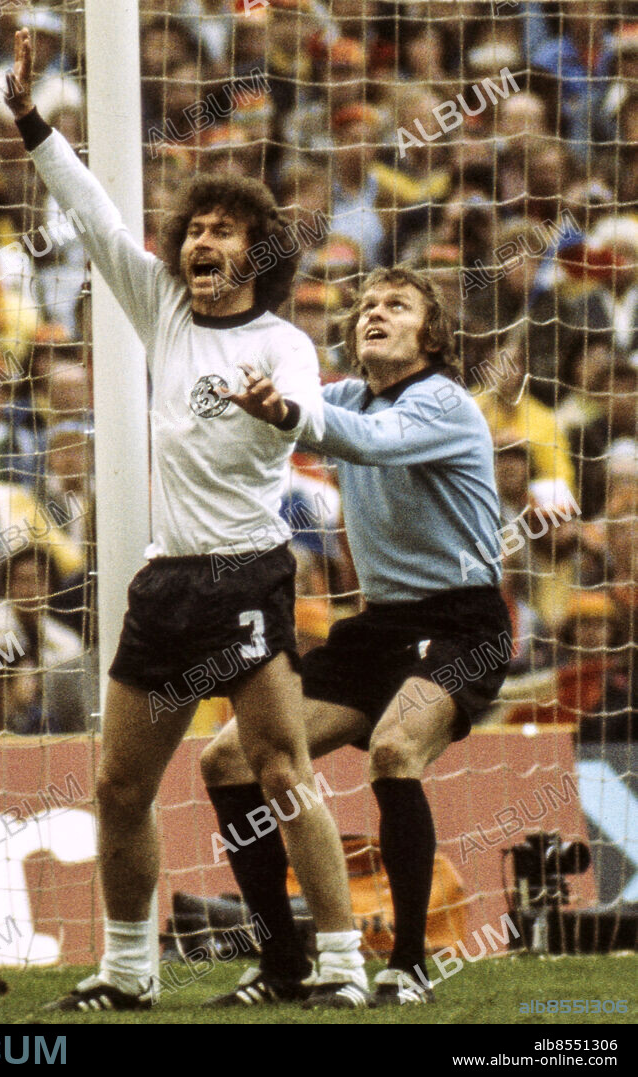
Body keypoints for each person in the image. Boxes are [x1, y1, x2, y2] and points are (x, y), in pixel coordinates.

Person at [5, 27, 369, 1011]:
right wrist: (32, 120)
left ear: (255, 250)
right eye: (193, 226)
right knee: (119, 787)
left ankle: (339, 962)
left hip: (246, 573)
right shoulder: (160, 307)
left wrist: (277, 414)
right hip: (167, 582)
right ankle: (128, 970)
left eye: (221, 228)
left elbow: (314, 415)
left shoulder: (281, 341)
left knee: (279, 769)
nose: (201, 239)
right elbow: (88, 213)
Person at [200, 265, 513, 1006]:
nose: (375, 312)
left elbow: (366, 441)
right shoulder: (341, 396)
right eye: (366, 304)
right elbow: (295, 412)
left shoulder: (441, 401)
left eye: (396, 305)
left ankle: (407, 964)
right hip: (379, 628)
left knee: (394, 748)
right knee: (229, 759)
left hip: (461, 622)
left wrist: (284, 413)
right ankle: (281, 963)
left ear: (429, 333)